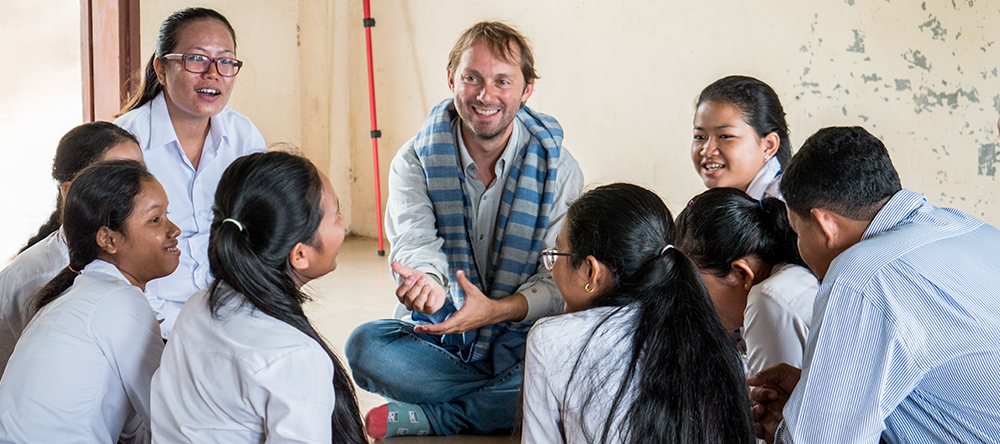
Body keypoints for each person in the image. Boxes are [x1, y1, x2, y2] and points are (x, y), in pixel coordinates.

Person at [344, 21, 584, 438]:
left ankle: (441, 416)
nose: (485, 95)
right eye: (472, 78)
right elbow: (415, 244)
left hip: (522, 338)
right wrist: (431, 288)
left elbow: (557, 279)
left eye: (502, 81)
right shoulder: (415, 159)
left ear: (526, 90)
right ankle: (507, 402)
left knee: (575, 359)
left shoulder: (558, 169)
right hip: (442, 330)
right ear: (451, 79)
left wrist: (496, 311)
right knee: (365, 347)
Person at [749, 127, 1000, 444]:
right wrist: (811, 394)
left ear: (825, 224)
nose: (798, 245)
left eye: (798, 232)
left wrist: (788, 429)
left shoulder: (861, 275)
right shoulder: (966, 227)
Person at [151, 152, 366, 444]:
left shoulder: (197, 307)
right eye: (337, 215)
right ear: (300, 255)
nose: (342, 223)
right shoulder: (294, 356)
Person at [521, 183, 755, 444]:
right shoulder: (712, 337)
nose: (552, 269)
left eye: (558, 254)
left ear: (591, 272)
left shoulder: (550, 339)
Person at [0, 160, 178, 443]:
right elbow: (171, 421)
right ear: (108, 239)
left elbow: (136, 426)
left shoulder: (86, 292)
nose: (174, 230)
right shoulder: (118, 300)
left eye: (168, 215)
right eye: (155, 220)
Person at [115, 7, 266, 338]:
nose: (213, 74)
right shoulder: (125, 145)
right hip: (148, 319)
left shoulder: (243, 136)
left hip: (232, 308)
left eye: (226, 61)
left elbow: (259, 232)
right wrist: (177, 327)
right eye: (196, 59)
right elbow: (113, 262)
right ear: (162, 67)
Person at [0, 121, 142, 376]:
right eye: (117, 179)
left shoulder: (134, 251)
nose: (138, 191)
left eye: (139, 175)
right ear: (71, 191)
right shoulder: (39, 278)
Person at [675, 188, 819, 375]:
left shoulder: (769, 298)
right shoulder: (793, 276)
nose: (695, 304)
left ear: (742, 273)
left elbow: (770, 401)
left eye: (697, 289)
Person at [691, 75, 791, 200]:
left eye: (725, 136)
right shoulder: (721, 203)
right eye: (700, 137)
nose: (707, 151)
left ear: (769, 146)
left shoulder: (787, 207)